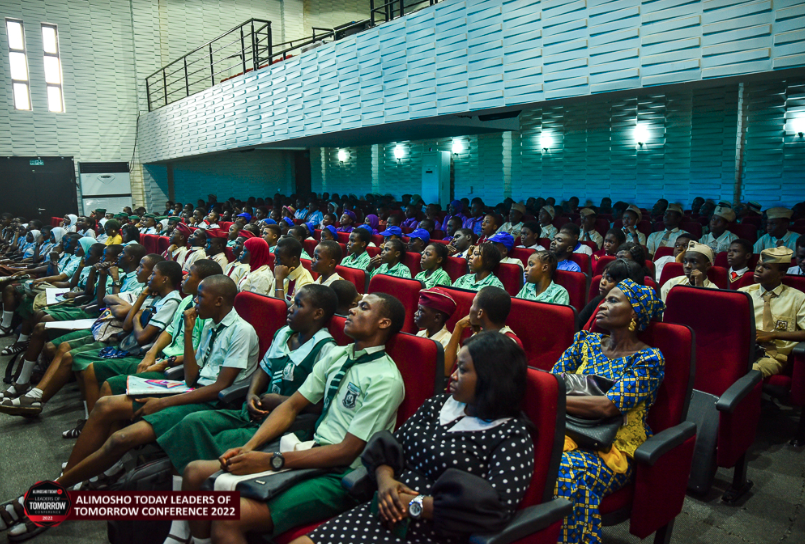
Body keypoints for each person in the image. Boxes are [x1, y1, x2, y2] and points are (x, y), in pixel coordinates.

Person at [180, 293, 406, 543]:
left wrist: (272, 461)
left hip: (341, 474)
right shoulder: (340, 355)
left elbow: (347, 451)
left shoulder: (386, 379)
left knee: (229, 515)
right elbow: (292, 406)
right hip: (311, 450)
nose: (352, 310)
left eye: (363, 307)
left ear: (384, 323)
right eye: (355, 305)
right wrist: (249, 448)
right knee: (195, 472)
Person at [299, 331, 534, 544]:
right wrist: (385, 483)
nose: (451, 375)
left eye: (462, 370)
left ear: (490, 379)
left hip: (436, 531)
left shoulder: (511, 436)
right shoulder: (437, 406)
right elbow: (391, 448)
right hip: (382, 510)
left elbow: (496, 509)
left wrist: (415, 505)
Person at [552, 278, 665, 544]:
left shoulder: (648, 359)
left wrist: (561, 394)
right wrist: (562, 392)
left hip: (612, 445)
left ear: (634, 313)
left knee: (562, 471)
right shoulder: (585, 342)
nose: (602, 304)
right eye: (605, 299)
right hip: (566, 429)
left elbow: (608, 406)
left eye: (613, 300)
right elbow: (553, 380)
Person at [0, 259, 182, 417]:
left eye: (151, 273)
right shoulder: (152, 296)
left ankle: (38, 398)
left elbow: (138, 333)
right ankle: (34, 396)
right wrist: (141, 301)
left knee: (74, 358)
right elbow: (123, 318)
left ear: (164, 278)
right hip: (119, 334)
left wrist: (135, 313)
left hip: (129, 346)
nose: (145, 275)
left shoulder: (170, 301)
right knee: (59, 343)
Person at [84, 259, 223, 414]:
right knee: (94, 372)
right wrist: (151, 353)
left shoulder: (208, 313)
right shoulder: (186, 301)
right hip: (158, 356)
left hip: (176, 368)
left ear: (204, 282)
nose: (184, 277)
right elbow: (170, 330)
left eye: (189, 275)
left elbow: (199, 352)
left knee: (110, 387)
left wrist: (164, 362)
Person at [740, 247, 805, 378]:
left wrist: (773, 334)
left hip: (773, 355)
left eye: (766, 267)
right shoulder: (743, 293)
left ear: (781, 274)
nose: (758, 269)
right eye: (758, 264)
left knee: (747, 371)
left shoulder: (798, 298)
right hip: (743, 349)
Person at [443, 286, 521, 375]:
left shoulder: (506, 344)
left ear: (480, 313)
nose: (470, 308)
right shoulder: (481, 333)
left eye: (472, 304)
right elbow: (446, 371)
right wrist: (458, 327)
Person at [577, 259, 645, 330]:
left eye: (609, 279)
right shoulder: (599, 300)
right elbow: (577, 325)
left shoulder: (629, 309)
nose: (602, 282)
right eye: (603, 277)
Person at [414, 287, 457, 352]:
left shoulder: (448, 343)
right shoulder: (420, 334)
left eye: (421, 310)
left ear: (437, 318)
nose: (416, 313)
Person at [272, 237, 314, 302]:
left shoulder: (306, 283)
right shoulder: (282, 271)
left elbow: (282, 309)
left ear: (293, 259)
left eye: (278, 258)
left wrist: (279, 281)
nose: (275, 261)